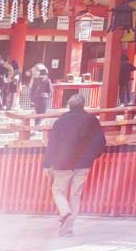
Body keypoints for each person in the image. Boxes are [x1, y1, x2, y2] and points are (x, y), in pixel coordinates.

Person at [43, 94, 106, 237]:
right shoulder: (92, 120)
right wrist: (93, 156)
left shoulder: (60, 121)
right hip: (83, 163)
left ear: (69, 105)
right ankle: (69, 228)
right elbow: (100, 142)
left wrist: (47, 164)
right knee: (76, 194)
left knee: (58, 190)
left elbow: (52, 143)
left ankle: (65, 213)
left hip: (63, 162)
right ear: (83, 105)